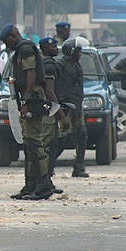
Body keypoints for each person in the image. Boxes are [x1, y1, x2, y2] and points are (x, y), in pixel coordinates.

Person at [0, 23, 53, 200]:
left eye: (7, 42)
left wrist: (27, 101)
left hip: (33, 99)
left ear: (13, 36)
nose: (7, 46)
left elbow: (31, 74)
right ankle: (31, 185)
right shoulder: (22, 49)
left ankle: (43, 185)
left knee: (35, 143)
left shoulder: (25, 49)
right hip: (28, 98)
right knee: (29, 144)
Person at [55, 37, 90, 178]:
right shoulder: (60, 66)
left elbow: (79, 89)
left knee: (82, 135)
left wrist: (79, 108)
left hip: (76, 106)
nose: (80, 55)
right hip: (64, 106)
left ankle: (79, 167)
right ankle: (48, 167)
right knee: (60, 140)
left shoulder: (77, 67)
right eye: (78, 51)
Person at [39, 37, 69, 193]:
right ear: (44, 48)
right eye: (53, 46)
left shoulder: (44, 61)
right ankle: (44, 180)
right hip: (49, 110)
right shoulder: (49, 63)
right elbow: (49, 91)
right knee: (47, 146)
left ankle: (46, 179)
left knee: (54, 144)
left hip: (47, 109)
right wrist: (62, 115)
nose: (56, 48)